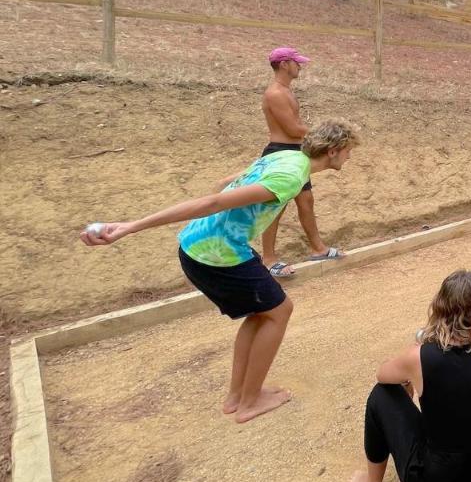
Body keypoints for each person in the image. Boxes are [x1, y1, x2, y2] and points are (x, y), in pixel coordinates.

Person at [80, 121, 359, 423]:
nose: (349, 158)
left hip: (198, 244)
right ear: (332, 151)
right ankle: (250, 402)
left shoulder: (286, 157)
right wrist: (130, 226)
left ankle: (237, 396)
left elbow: (226, 182)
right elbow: (213, 201)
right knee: (280, 311)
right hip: (216, 255)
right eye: (348, 152)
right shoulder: (291, 176)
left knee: (262, 312)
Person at [348, 270, 471, 482]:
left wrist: (410, 366)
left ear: (440, 305)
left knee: (380, 396)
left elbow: (382, 376)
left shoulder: (420, 356)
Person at [260, 46, 343, 278]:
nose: (300, 66)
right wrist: (325, 134)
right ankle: (268, 259)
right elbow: (292, 128)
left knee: (306, 201)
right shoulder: (275, 93)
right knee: (276, 206)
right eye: (296, 62)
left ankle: (318, 248)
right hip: (280, 152)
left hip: (295, 150)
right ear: (285, 64)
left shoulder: (286, 91)